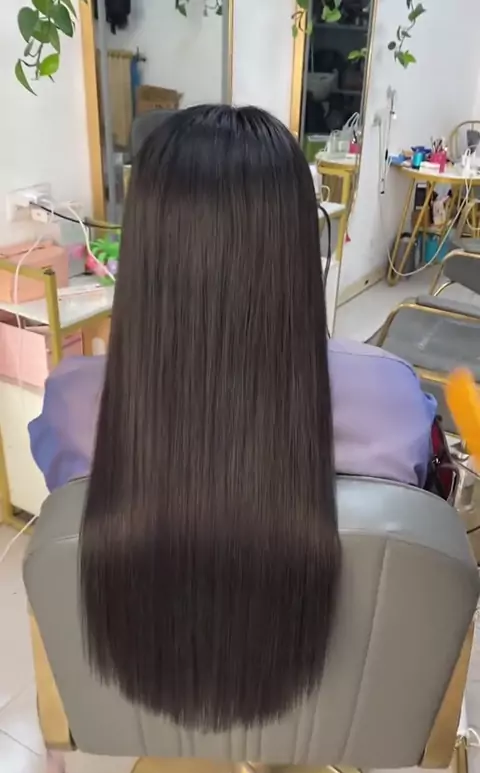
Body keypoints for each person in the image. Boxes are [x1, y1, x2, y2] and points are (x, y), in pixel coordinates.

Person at [28, 105, 435, 730]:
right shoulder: (391, 395)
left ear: (146, 248)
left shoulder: (71, 401)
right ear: (298, 246)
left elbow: (69, 512)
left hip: (148, 687)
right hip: (327, 699)